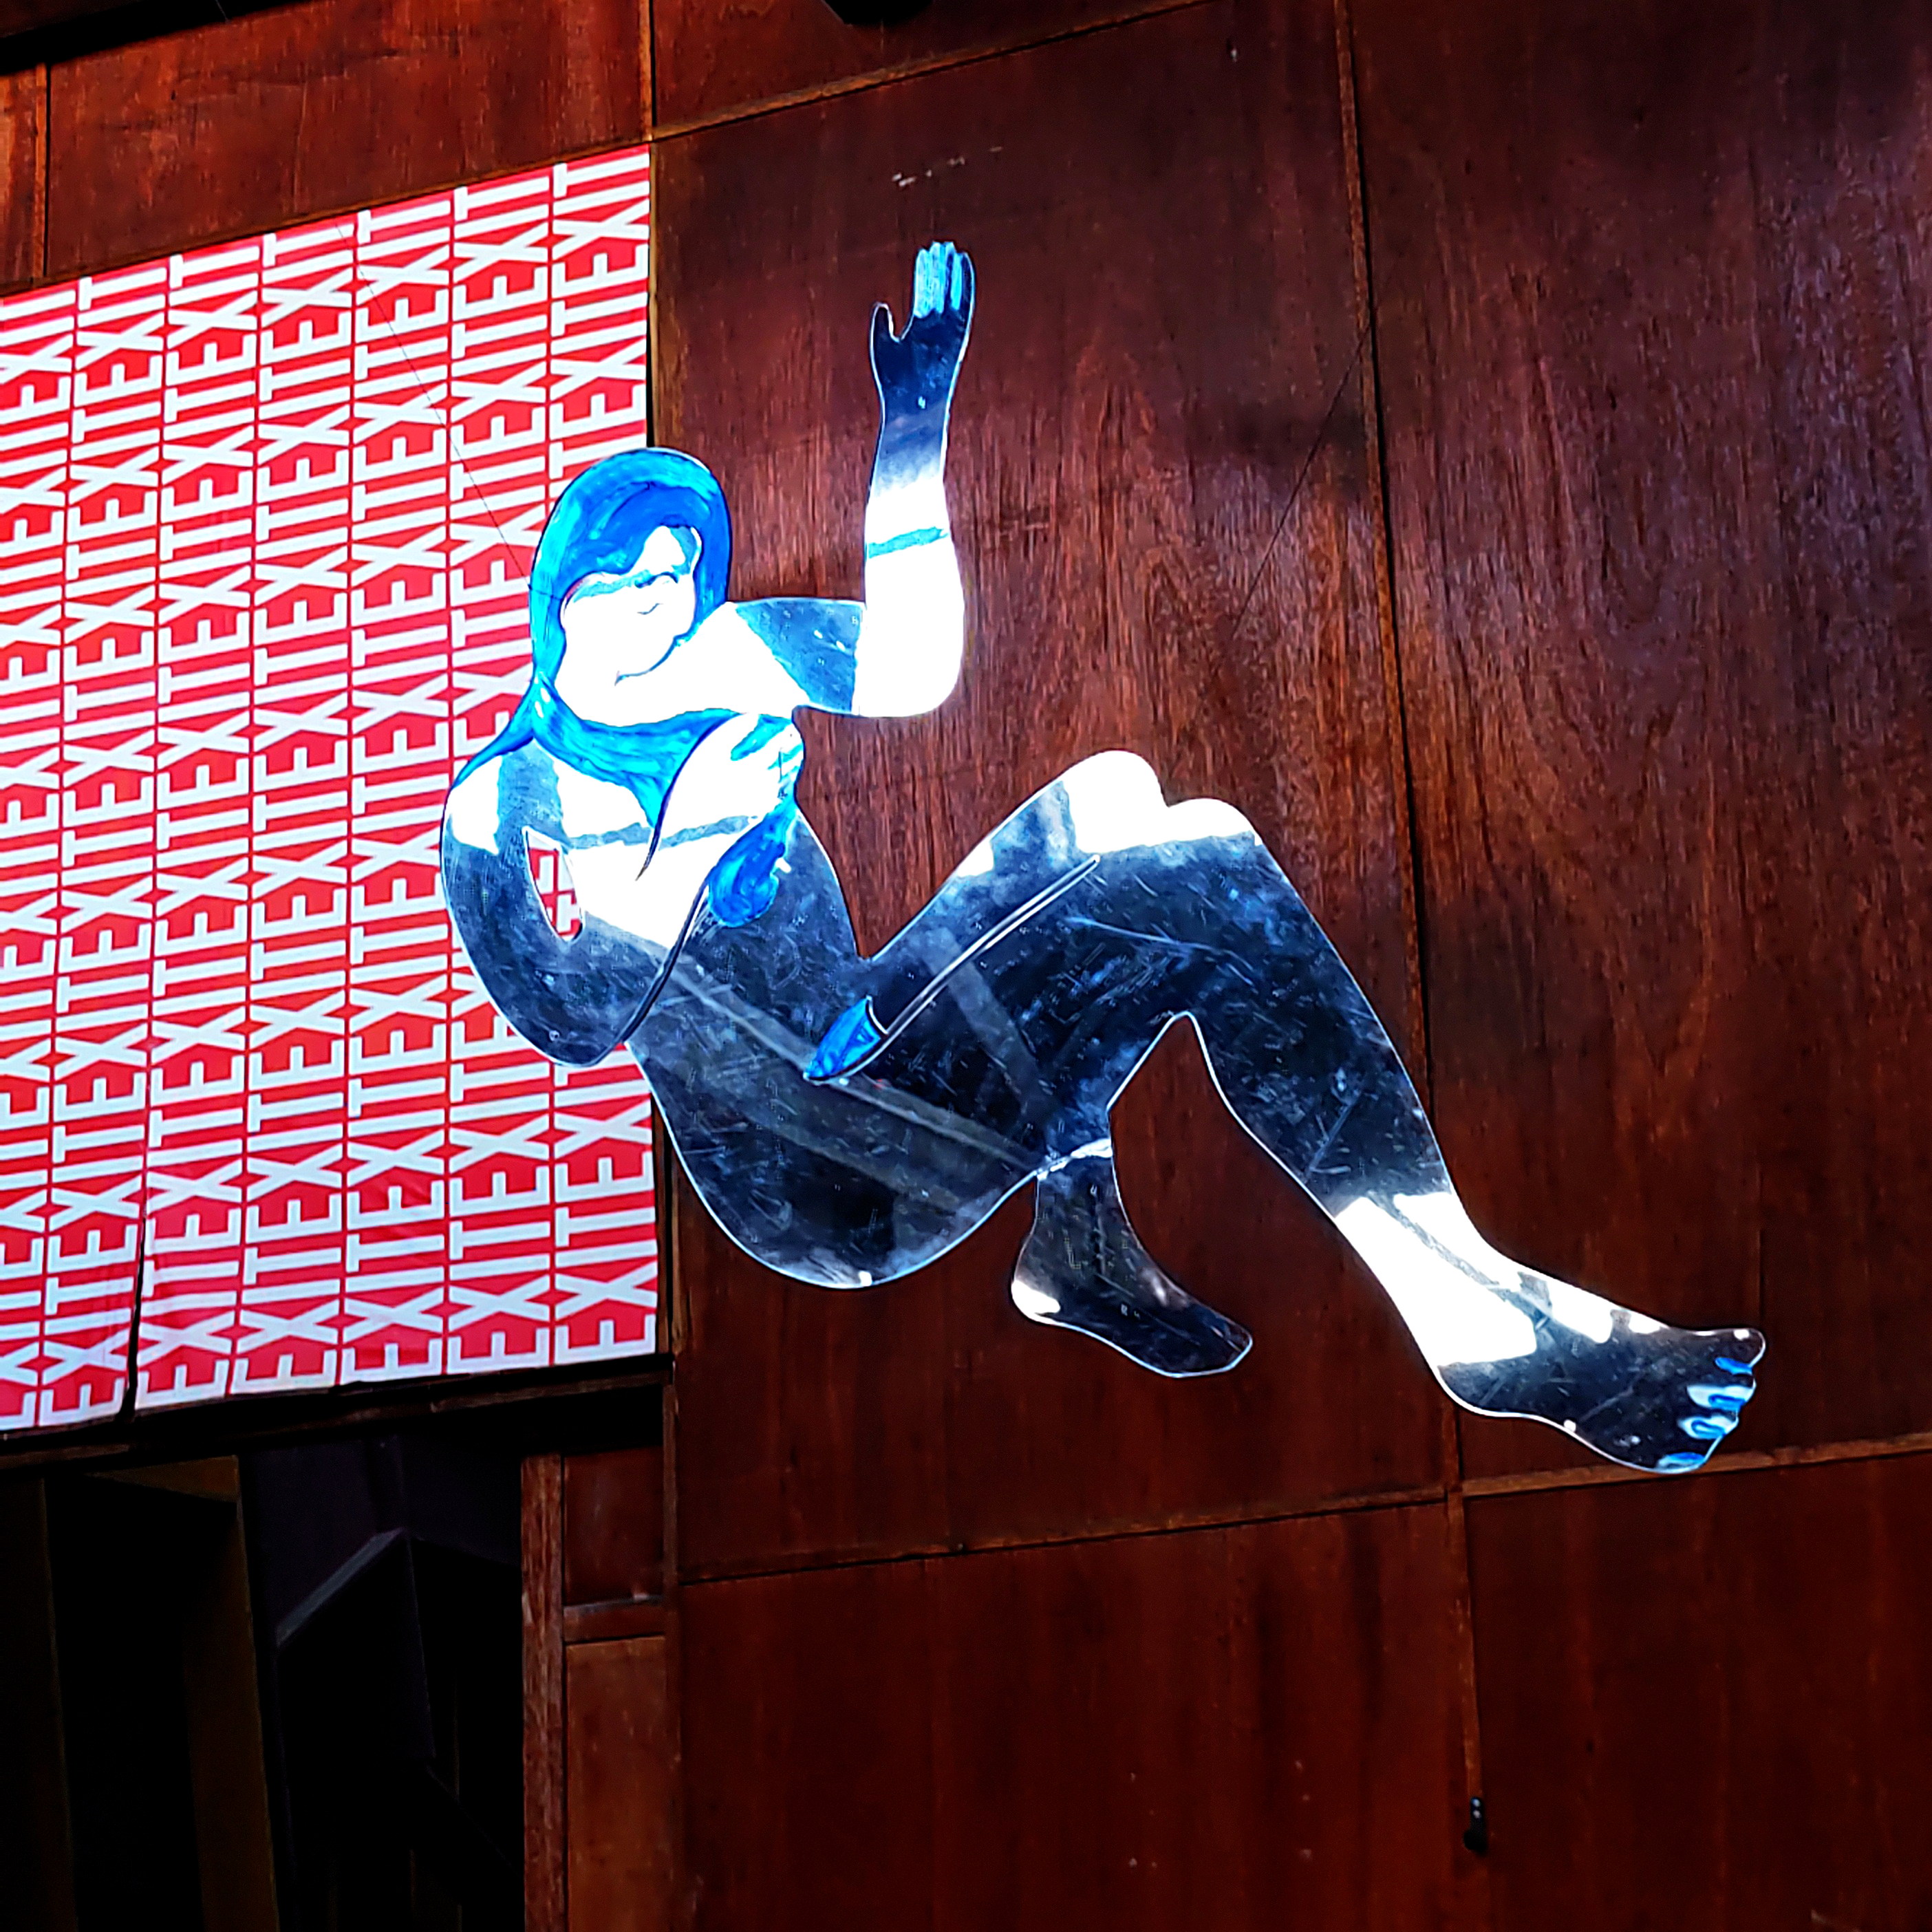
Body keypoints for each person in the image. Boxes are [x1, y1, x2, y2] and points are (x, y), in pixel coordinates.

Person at [441, 243, 1763, 1474]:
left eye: (675, 575)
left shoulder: (721, 661)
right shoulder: (504, 799)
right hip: (822, 1168)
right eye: (619, 583)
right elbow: (566, 1023)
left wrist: (914, 433)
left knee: (1114, 795)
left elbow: (917, 664)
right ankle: (1474, 1317)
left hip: (876, 1033)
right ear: (561, 599)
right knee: (1203, 867)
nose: (654, 607)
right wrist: (688, 842)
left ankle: (1077, 1231)